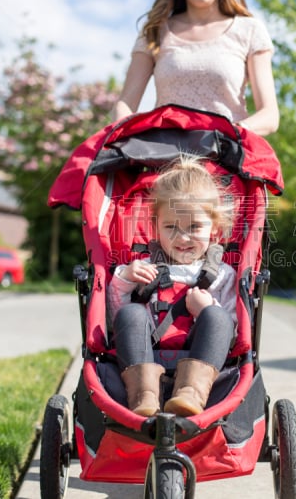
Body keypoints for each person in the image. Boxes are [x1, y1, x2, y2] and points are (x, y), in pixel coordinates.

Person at [108, 155, 237, 417]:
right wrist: (125, 279)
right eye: (171, 227)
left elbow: (235, 331)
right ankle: (143, 396)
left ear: (214, 228)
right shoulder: (145, 266)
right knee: (130, 313)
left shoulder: (223, 274)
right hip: (146, 353)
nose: (183, 237)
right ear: (155, 227)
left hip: (202, 362)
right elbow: (113, 316)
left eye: (195, 227)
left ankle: (190, 393)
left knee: (218, 317)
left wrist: (206, 310)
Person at [111, 0, 280, 136]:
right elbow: (125, 104)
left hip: (227, 152)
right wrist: (127, 140)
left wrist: (231, 133)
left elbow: (269, 116)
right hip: (167, 154)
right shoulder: (155, 31)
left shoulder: (250, 30)